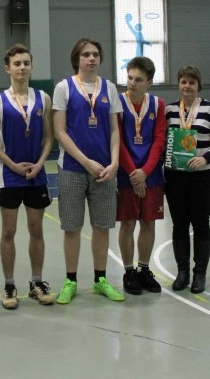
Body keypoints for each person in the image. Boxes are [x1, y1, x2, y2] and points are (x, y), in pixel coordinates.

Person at [52, 38, 125, 304]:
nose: (91, 58)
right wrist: (85, 161)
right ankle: (70, 281)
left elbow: (115, 130)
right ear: (77, 59)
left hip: (104, 170)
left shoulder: (109, 88)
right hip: (72, 169)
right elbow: (60, 132)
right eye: (85, 54)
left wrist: (114, 163)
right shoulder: (64, 87)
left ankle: (100, 280)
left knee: (102, 227)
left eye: (95, 54)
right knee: (72, 228)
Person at [0, 44, 55, 309]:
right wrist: (13, 166)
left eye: (26, 63)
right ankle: (9, 284)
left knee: (36, 229)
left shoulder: (43, 99)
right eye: (17, 63)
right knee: (9, 230)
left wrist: (40, 164)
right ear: (8, 68)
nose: (22, 67)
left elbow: (49, 137)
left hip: (36, 175)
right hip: (10, 176)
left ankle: (37, 282)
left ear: (31, 66)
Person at [164, 65, 210, 294]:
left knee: (201, 224)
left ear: (198, 85)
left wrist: (205, 158)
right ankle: (182, 272)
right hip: (175, 178)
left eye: (191, 82)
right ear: (178, 84)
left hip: (202, 177)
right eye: (183, 82)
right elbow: (162, 140)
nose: (187, 86)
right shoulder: (169, 110)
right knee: (179, 224)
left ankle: (200, 273)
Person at [117, 57, 166, 295]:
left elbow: (159, 140)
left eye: (138, 80)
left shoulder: (157, 105)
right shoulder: (117, 103)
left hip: (151, 174)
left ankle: (144, 269)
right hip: (126, 174)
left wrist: (145, 172)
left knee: (148, 222)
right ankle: (128, 272)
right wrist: (133, 174)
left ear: (149, 82)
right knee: (127, 223)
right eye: (130, 78)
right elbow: (116, 141)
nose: (132, 83)